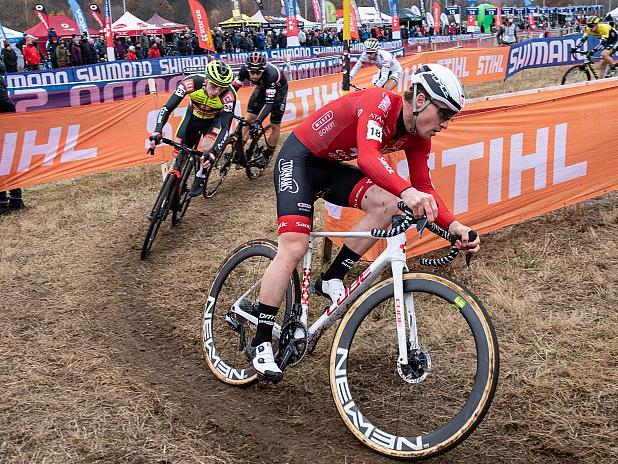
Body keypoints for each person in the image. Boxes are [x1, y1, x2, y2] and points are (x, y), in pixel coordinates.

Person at [249, 64, 480, 381]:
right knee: (294, 246)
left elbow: (425, 188)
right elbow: (368, 159)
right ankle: (261, 341)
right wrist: (407, 191)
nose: (445, 124)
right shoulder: (379, 102)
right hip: (299, 158)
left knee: (388, 206)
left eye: (450, 118)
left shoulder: (418, 137)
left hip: (330, 167)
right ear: (422, 99)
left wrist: (454, 227)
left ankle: (332, 276)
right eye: (443, 114)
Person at [149, 60, 236, 197]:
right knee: (179, 156)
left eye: (221, 88)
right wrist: (157, 130)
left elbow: (226, 127)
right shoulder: (190, 83)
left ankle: (201, 174)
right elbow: (167, 108)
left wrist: (214, 152)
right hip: (192, 118)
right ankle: (171, 190)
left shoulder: (228, 96)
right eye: (214, 86)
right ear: (206, 79)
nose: (217, 91)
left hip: (213, 121)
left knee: (207, 148)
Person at [232, 52, 288, 167]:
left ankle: (267, 154)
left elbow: (269, 104)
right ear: (247, 69)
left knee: (275, 125)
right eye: (252, 72)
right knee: (249, 119)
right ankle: (239, 150)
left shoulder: (270, 74)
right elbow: (233, 90)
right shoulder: (243, 70)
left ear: (263, 69)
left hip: (278, 90)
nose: (255, 76)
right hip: (262, 87)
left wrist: (259, 122)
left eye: (258, 72)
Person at [0, 74, 24, 214]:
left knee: (7, 161)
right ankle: (15, 199)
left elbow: (4, 102)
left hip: (4, 125)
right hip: (6, 124)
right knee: (10, 161)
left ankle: (6, 202)